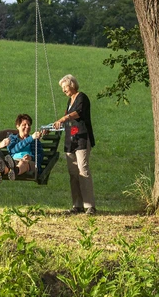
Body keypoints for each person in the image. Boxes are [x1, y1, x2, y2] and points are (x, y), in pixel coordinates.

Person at [52, 74, 96, 215]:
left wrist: (63, 118)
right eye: (62, 88)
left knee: (83, 170)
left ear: (72, 85)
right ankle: (77, 205)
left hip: (82, 139)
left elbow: (77, 113)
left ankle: (90, 206)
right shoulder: (69, 101)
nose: (63, 90)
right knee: (73, 173)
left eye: (65, 86)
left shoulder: (81, 97)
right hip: (70, 140)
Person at [6, 113, 46, 178]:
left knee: (23, 162)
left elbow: (40, 156)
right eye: (24, 125)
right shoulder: (12, 138)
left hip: (29, 163)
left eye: (29, 125)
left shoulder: (34, 140)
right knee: (8, 163)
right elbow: (12, 150)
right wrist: (30, 138)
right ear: (17, 126)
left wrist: (31, 157)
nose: (27, 127)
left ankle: (15, 171)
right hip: (14, 161)